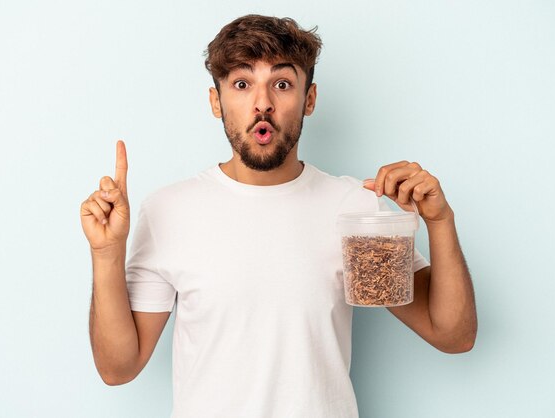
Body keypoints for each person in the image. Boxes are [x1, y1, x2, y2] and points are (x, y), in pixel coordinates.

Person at [80, 14, 477, 418]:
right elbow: (118, 369)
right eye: (241, 84)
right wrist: (107, 253)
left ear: (309, 99)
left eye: (282, 84)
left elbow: (452, 334)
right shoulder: (169, 211)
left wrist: (440, 222)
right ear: (216, 102)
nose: (262, 102)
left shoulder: (352, 207)